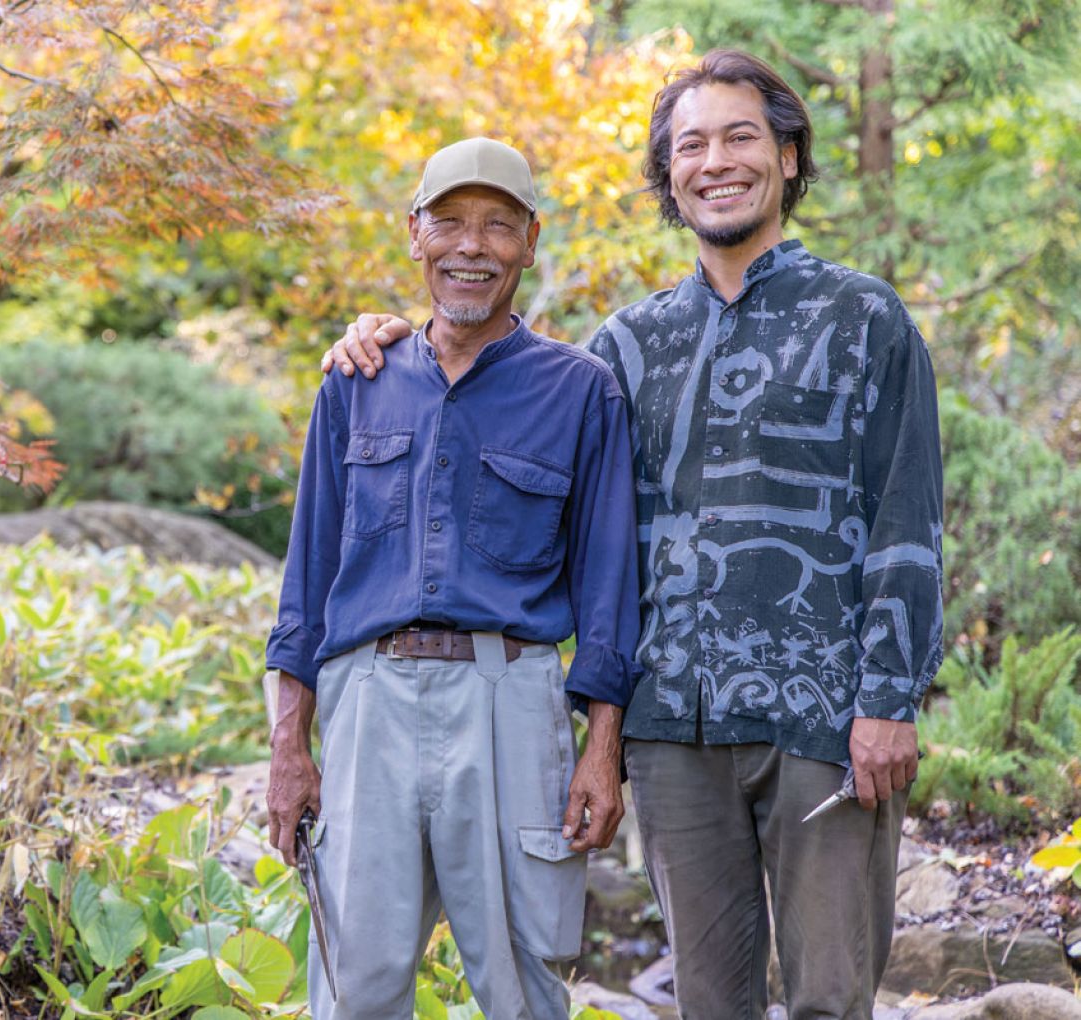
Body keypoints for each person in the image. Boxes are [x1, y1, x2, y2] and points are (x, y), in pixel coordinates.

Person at [323, 51, 944, 1020]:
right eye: (689, 146)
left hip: (825, 723)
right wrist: (395, 337)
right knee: (708, 1003)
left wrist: (890, 698)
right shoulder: (626, 346)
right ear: (669, 177)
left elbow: (907, 518)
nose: (715, 162)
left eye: (740, 137)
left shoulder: (864, 319)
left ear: (787, 157)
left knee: (829, 997)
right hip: (670, 735)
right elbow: (506, 396)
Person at [266, 137, 642, 1020]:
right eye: (450, 223)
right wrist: (290, 747)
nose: (471, 247)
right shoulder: (355, 381)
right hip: (367, 704)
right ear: (414, 235)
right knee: (352, 986)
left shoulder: (581, 391)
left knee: (523, 988)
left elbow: (609, 586)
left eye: (497, 226)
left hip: (509, 700)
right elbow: (308, 576)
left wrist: (602, 750)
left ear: (531, 242)